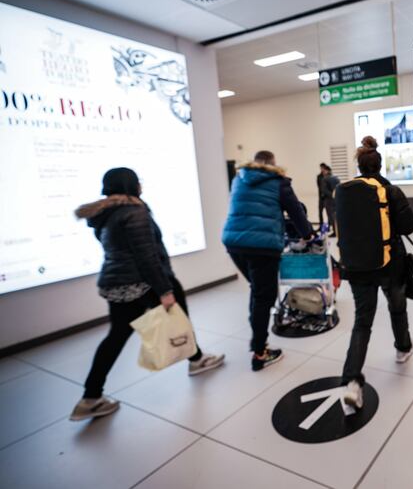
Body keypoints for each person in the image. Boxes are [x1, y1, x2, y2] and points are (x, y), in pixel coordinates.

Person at [70, 168, 224, 422]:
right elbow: (146, 256)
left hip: (116, 282)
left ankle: (91, 397)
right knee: (178, 317)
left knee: (117, 335)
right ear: (129, 185)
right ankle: (196, 360)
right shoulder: (135, 212)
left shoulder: (104, 214)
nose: (141, 185)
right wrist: (164, 290)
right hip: (144, 282)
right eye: (137, 181)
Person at [337, 136, 413, 410]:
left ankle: (351, 383)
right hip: (388, 264)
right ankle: (403, 348)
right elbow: (408, 227)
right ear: (380, 164)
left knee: (362, 321)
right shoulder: (391, 191)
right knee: (397, 306)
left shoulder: (346, 191)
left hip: (357, 267)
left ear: (360, 166)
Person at [223, 150, 313, 371]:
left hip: (234, 243)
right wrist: (307, 234)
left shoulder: (239, 179)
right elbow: (296, 212)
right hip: (262, 246)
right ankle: (260, 353)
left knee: (258, 291)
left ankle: (257, 341)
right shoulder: (278, 182)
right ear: (273, 164)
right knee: (264, 296)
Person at [317, 163, 339, 235]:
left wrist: (330, 195)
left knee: (330, 215)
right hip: (335, 199)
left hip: (328, 200)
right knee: (335, 215)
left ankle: (335, 232)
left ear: (326, 171)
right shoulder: (336, 178)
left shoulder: (324, 179)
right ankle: (336, 230)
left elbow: (324, 190)